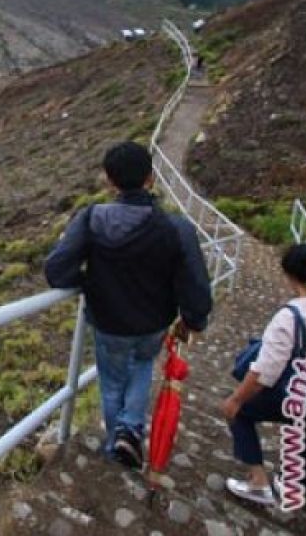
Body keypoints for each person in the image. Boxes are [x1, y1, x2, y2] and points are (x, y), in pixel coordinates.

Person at [45, 141, 212, 469]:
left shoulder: (92, 218)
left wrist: (87, 283)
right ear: (151, 178)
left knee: (112, 382)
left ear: (110, 180)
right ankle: (130, 430)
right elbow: (196, 286)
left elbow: (56, 270)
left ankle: (117, 442)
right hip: (153, 323)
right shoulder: (177, 228)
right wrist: (193, 320)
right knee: (142, 367)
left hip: (109, 323)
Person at [220, 243, 306, 506]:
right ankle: (296, 482)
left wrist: (236, 399)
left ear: (290, 276)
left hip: (299, 398)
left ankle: (258, 482)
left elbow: (265, 373)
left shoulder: (290, 317)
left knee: (240, 412)